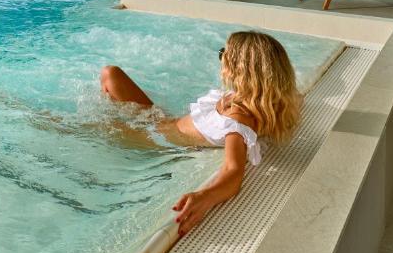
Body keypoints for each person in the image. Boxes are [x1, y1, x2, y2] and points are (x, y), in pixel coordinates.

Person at [100, 31, 301, 236]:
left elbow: (233, 171)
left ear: (240, 69)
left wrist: (205, 196)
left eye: (223, 53)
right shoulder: (254, 101)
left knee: (83, 127)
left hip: (151, 138)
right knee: (111, 73)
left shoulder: (238, 119)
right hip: (159, 121)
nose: (221, 57)